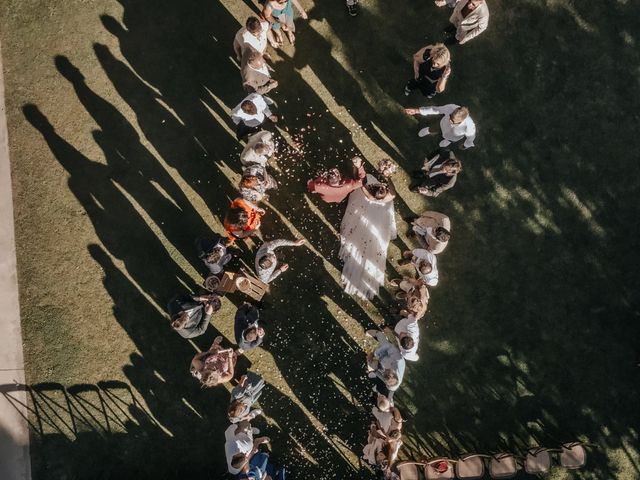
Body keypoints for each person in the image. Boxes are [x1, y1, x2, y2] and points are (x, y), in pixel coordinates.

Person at [340, 162, 397, 300]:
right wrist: (388, 177)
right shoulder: (389, 197)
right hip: (378, 218)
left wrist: (358, 167)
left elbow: (360, 183)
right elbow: (393, 191)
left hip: (366, 211)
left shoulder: (369, 196)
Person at [404, 104, 476, 149]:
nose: (449, 119)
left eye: (452, 120)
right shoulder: (451, 108)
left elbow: (471, 138)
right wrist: (417, 111)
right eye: (450, 116)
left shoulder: (469, 126)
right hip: (442, 124)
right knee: (434, 128)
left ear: (461, 120)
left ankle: (447, 141)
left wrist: (465, 145)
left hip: (453, 136)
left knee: (450, 139)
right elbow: (435, 109)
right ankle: (428, 130)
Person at [366, 330, 406, 400]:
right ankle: (376, 333)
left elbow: (380, 375)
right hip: (387, 351)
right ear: (394, 372)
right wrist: (374, 353)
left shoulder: (390, 385)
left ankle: (371, 361)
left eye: (384, 372)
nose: (384, 371)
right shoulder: (398, 360)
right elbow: (388, 347)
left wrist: (374, 370)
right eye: (387, 370)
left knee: (370, 364)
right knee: (382, 339)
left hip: (383, 360)